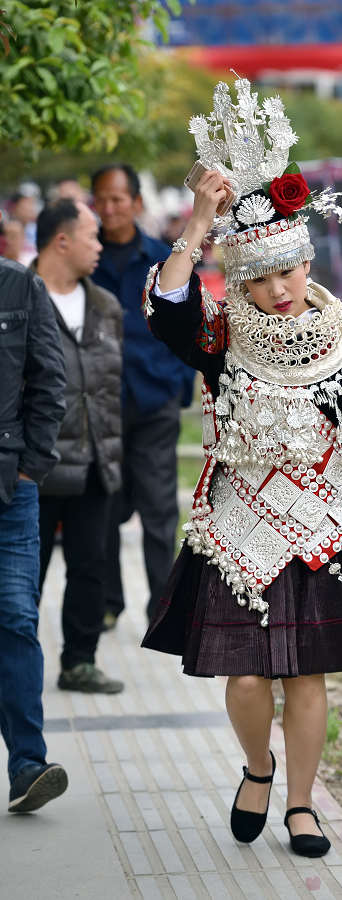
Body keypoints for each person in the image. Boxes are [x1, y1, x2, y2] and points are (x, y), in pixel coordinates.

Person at [141, 80, 342, 857]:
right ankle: (257, 766)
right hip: (238, 520)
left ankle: (302, 805)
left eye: (287, 273)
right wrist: (200, 224)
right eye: (259, 280)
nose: (276, 292)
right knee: (245, 680)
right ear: (239, 282)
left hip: (324, 521)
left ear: (306, 262)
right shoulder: (220, 336)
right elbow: (167, 303)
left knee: (308, 680)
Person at [90, 164, 195, 625]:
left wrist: (177, 386)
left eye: (118, 199)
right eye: (102, 200)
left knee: (157, 509)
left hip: (154, 400)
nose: (109, 209)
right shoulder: (84, 256)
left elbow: (188, 322)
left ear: (136, 203)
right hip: (100, 406)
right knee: (105, 507)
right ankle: (109, 604)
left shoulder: (162, 258)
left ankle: (162, 609)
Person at [35, 198, 124, 694]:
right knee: (25, 575)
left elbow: (111, 388)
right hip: (35, 467)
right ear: (62, 240)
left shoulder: (105, 305)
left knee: (91, 566)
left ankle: (80, 661)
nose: (100, 245)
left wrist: (114, 453)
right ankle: (14, 667)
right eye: (92, 236)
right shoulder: (17, 298)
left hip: (94, 462)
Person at [0, 212, 68, 812]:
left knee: (16, 619)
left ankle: (27, 765)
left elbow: (51, 382)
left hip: (9, 493)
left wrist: (28, 468)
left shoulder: (20, 288)